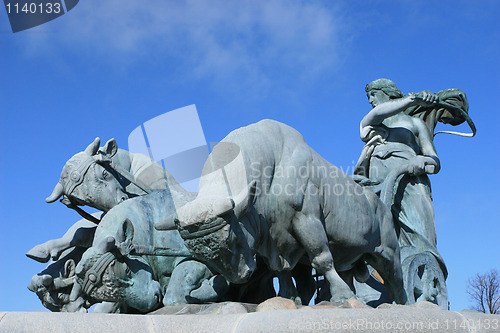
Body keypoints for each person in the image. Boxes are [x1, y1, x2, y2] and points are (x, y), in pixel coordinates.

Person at [354, 78, 446, 276]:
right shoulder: (373, 122)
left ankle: (426, 280)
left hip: (411, 179)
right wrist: (413, 100)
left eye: (373, 94)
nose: (370, 100)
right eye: (368, 96)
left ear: (387, 92)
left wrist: (423, 161)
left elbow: (435, 160)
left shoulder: (415, 123)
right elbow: (376, 113)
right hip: (377, 181)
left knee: (422, 231)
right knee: (378, 232)